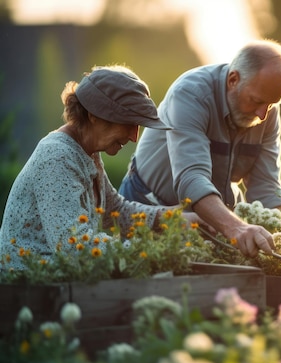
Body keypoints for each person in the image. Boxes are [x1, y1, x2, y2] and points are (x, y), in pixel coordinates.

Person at [0, 65, 202, 271]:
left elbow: (115, 210)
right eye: (129, 122)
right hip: (28, 285)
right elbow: (72, 247)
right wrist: (147, 249)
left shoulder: (88, 151)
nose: (134, 137)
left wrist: (176, 218)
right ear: (94, 114)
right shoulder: (57, 156)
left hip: (60, 282)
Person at [118, 39, 281, 259]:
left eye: (272, 104)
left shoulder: (266, 111)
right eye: (256, 101)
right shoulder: (191, 94)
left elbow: (266, 188)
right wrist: (237, 228)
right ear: (233, 80)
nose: (263, 114)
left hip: (212, 216)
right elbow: (191, 179)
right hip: (149, 204)